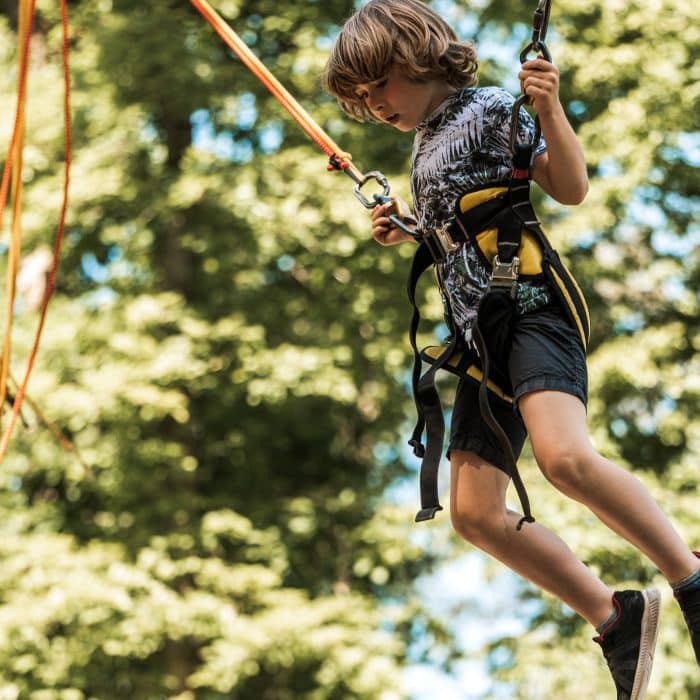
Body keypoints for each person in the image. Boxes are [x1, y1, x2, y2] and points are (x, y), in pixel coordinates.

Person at [323, 1, 700, 697]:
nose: (374, 105)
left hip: (530, 309)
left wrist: (550, 110)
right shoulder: (425, 141)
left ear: (416, 58)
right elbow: (468, 225)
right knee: (473, 514)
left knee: (565, 458)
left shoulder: (496, 106)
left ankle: (691, 575)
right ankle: (615, 615)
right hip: (481, 339)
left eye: (380, 86)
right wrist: (411, 231)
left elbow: (569, 188)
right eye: (361, 98)